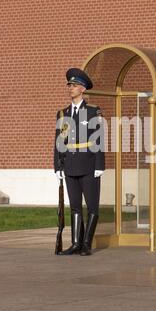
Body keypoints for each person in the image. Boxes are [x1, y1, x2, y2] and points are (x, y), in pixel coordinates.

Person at [54, 68, 105, 256]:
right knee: (75, 205)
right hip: (69, 165)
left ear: (82, 89)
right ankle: (75, 243)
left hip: (89, 164)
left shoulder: (92, 112)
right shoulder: (62, 114)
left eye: (74, 86)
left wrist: (100, 165)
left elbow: (99, 139)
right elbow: (59, 141)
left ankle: (86, 244)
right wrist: (57, 166)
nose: (71, 88)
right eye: (69, 85)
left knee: (92, 205)